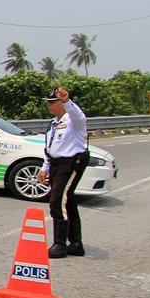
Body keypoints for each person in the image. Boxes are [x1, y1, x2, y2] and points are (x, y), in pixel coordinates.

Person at [37, 84, 90, 258]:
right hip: (56, 164)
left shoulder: (73, 121)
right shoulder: (54, 124)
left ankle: (60, 244)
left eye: (53, 102)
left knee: (57, 200)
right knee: (69, 202)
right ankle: (75, 244)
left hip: (70, 164)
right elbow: (50, 148)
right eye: (49, 102)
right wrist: (45, 168)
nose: (49, 105)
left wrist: (67, 102)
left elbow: (79, 116)